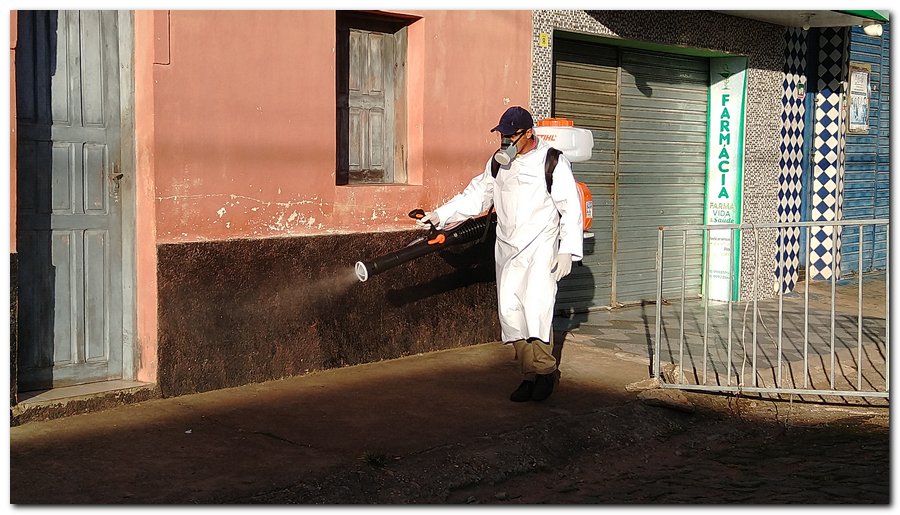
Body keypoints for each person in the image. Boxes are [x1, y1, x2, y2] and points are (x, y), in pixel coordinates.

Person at [416, 106, 584, 402]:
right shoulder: (498, 164)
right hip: (507, 247)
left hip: (540, 248)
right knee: (510, 312)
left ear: (528, 133)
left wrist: (567, 251)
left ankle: (545, 372)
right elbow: (475, 196)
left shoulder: (553, 161)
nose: (505, 141)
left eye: (511, 135)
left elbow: (571, 207)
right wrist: (438, 216)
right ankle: (528, 375)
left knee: (536, 308)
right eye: (502, 136)